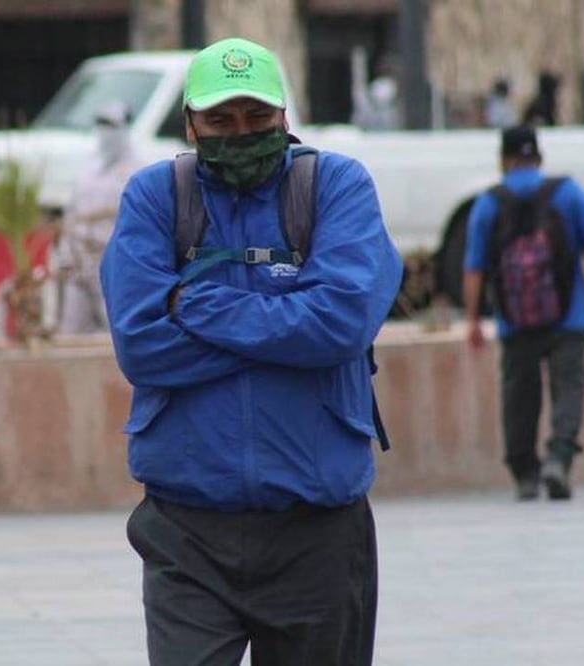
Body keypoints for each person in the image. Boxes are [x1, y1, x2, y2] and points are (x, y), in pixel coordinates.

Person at [99, 37, 403, 665]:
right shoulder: (156, 197)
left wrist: (192, 304)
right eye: (220, 120)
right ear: (190, 123)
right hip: (188, 532)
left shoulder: (337, 188)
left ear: (285, 118)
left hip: (317, 528)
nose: (240, 133)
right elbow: (142, 346)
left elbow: (341, 325)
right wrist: (286, 329)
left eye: (257, 118)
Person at [462, 125, 584, 501]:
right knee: (569, 387)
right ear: (538, 156)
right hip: (568, 316)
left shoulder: (489, 203)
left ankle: (525, 472)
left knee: (519, 395)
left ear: (504, 160)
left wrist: (473, 319)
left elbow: (474, 266)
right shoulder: (567, 193)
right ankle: (559, 458)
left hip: (514, 319)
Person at [55, 101, 143, 334]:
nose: (106, 133)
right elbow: (71, 215)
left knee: (115, 327)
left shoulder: (137, 171)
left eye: (111, 125)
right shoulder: (87, 170)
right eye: (102, 125)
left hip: (114, 260)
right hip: (80, 258)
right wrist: (65, 255)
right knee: (71, 328)